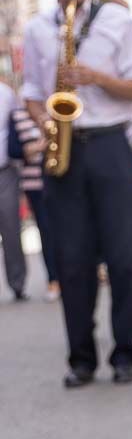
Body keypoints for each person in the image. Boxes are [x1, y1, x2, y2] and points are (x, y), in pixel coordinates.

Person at [22, 0, 132, 387]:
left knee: (124, 257)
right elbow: (34, 95)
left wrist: (95, 77)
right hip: (66, 151)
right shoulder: (38, 30)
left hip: (111, 143)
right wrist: (47, 126)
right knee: (71, 260)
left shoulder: (117, 20)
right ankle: (80, 359)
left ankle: (126, 353)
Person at [8, 103, 59, 300]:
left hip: (61, 179)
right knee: (46, 232)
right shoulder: (18, 114)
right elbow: (13, 149)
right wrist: (37, 147)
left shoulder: (56, 107)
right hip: (35, 184)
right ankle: (53, 279)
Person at [0, 80, 28, 302]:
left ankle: (17, 283)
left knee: (11, 228)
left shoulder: (6, 94)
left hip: (5, 170)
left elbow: (20, 125)